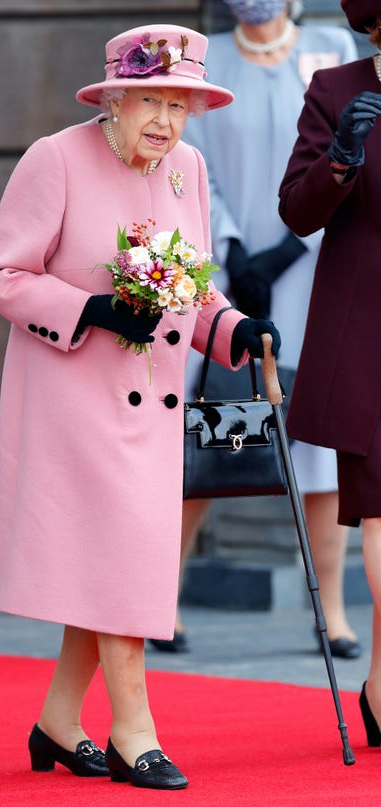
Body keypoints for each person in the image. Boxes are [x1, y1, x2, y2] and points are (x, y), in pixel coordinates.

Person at [0, 23, 281, 790]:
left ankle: (56, 720)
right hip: (76, 403)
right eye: (151, 99)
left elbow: (193, 287)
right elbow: (3, 275)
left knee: (114, 566)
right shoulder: (56, 159)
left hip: (150, 411)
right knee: (123, 565)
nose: (166, 121)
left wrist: (233, 325)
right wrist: (93, 309)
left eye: (180, 104)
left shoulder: (187, 167)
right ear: (113, 98)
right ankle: (134, 731)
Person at [151, 0, 360, 658]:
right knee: (217, 436)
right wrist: (238, 252)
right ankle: (161, 601)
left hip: (319, 270)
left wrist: (291, 248)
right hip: (230, 279)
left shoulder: (331, 49)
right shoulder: (205, 56)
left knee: (323, 455)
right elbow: (191, 165)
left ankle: (331, 613)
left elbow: (352, 154)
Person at [278, 0, 381, 746]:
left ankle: (378, 684)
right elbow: (296, 211)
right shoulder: (337, 87)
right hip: (366, 329)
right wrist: (340, 159)